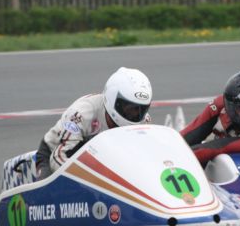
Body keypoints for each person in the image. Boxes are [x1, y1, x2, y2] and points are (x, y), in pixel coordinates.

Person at [24, 67, 152, 180]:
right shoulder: (81, 114)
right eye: (129, 108)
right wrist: (88, 182)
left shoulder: (143, 121)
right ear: (114, 100)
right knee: (50, 194)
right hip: (56, 152)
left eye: (140, 109)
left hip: (101, 158)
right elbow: (58, 157)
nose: (135, 114)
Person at [180, 70, 240, 167]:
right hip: (220, 160)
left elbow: (220, 147)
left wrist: (180, 156)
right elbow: (190, 134)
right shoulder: (219, 105)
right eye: (238, 108)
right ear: (228, 105)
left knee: (202, 154)